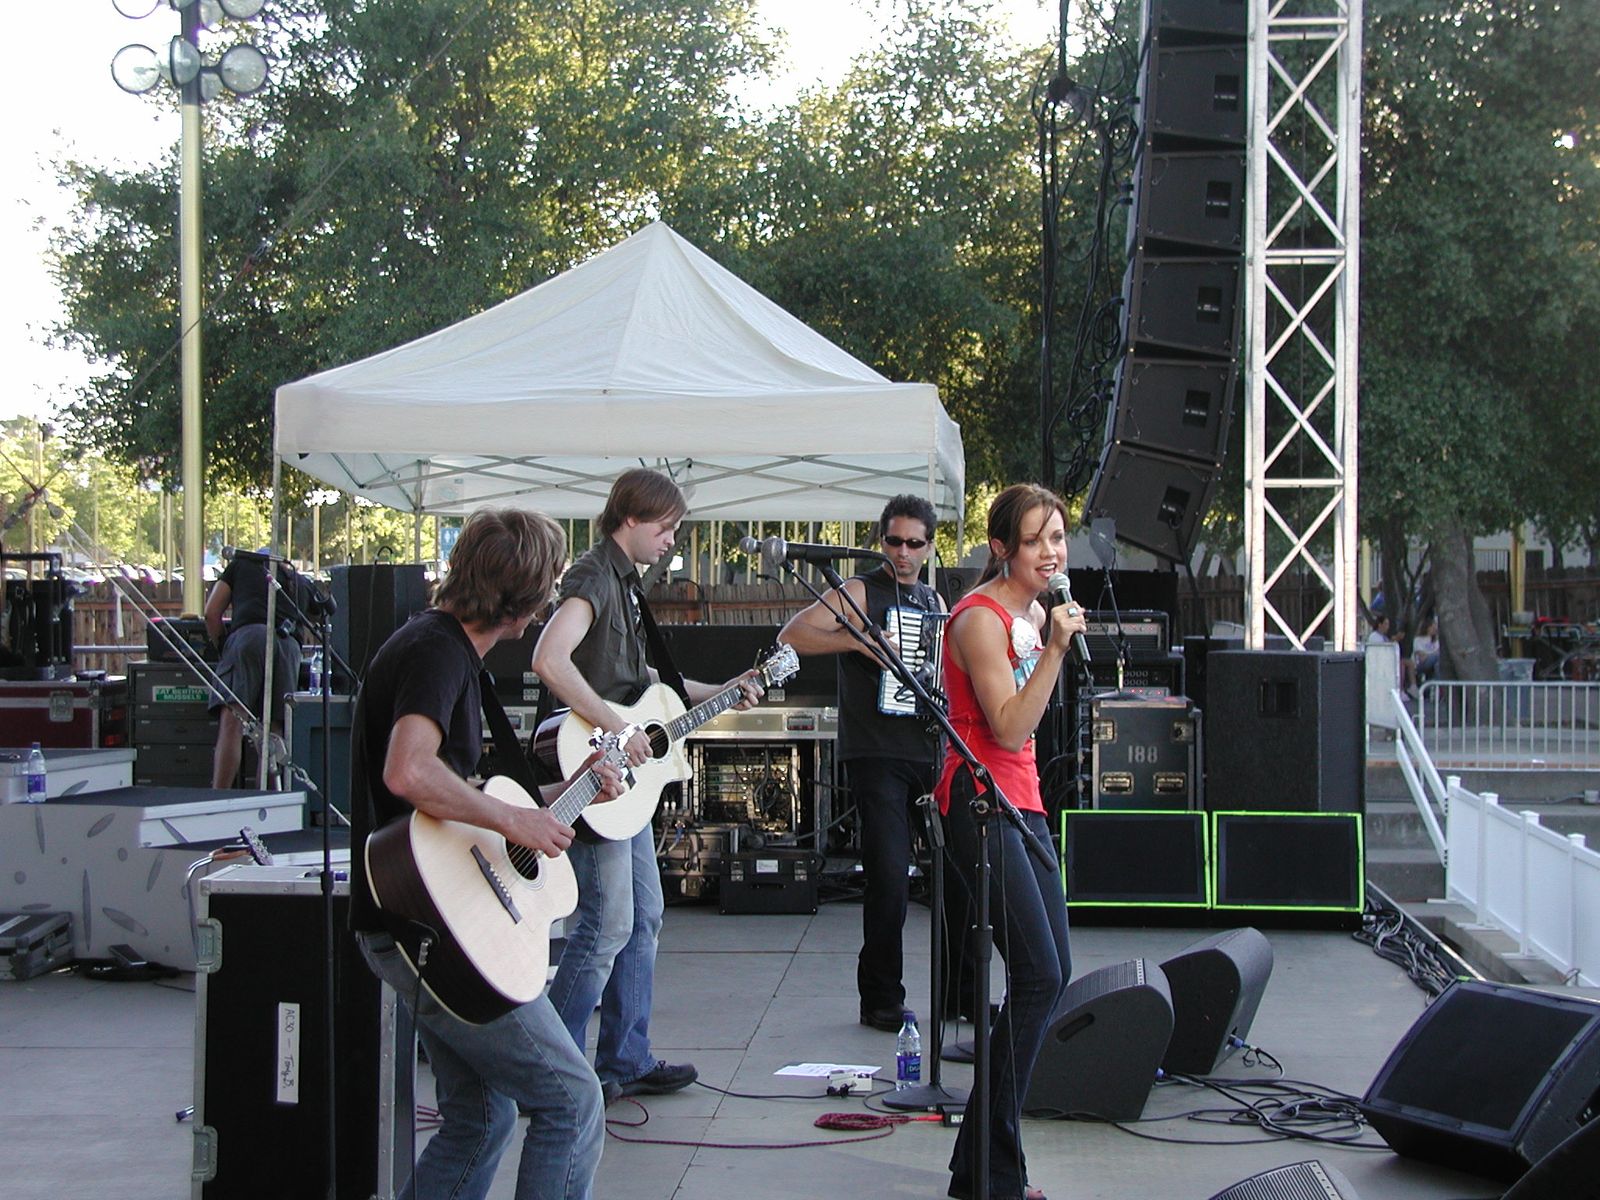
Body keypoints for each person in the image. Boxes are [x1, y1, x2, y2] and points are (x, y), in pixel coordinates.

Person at [349, 508, 622, 1200]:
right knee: (572, 1101)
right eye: (547, 584)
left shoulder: (446, 652)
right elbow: (409, 771)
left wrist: (575, 788)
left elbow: (462, 799)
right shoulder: (437, 652)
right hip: (431, 929)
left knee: (479, 1119)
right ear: (522, 597)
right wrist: (516, 819)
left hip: (425, 922)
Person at [531, 467, 762, 1102]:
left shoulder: (627, 585)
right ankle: (550, 1072)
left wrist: (722, 692)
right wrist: (616, 728)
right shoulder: (591, 578)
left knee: (643, 918)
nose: (671, 541)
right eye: (665, 528)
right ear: (630, 518)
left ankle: (624, 1060)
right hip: (594, 771)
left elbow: (647, 687)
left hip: (623, 781)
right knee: (605, 925)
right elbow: (548, 659)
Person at [935, 483, 1086, 1200]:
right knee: (1036, 976)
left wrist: (1046, 638)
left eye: (1058, 537)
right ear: (1001, 547)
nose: (1052, 552)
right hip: (978, 800)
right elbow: (1008, 726)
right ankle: (993, 1173)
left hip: (1023, 801)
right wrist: (1053, 648)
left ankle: (980, 1166)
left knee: (1053, 973)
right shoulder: (978, 618)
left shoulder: (1029, 613)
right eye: (1035, 540)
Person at [777, 493, 963, 1032]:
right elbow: (792, 633)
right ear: (881, 541)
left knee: (958, 875)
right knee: (889, 876)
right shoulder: (861, 589)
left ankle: (960, 993)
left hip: (927, 749)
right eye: (893, 541)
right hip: (876, 752)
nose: (902, 552)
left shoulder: (932, 599)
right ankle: (880, 998)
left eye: (914, 543)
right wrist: (856, 641)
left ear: (929, 547)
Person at [204, 550, 305, 788]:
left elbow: (211, 613)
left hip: (249, 637)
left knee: (233, 719)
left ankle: (219, 796)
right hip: (288, 646)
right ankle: (268, 801)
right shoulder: (296, 579)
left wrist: (222, 645)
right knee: (274, 732)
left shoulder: (241, 564)